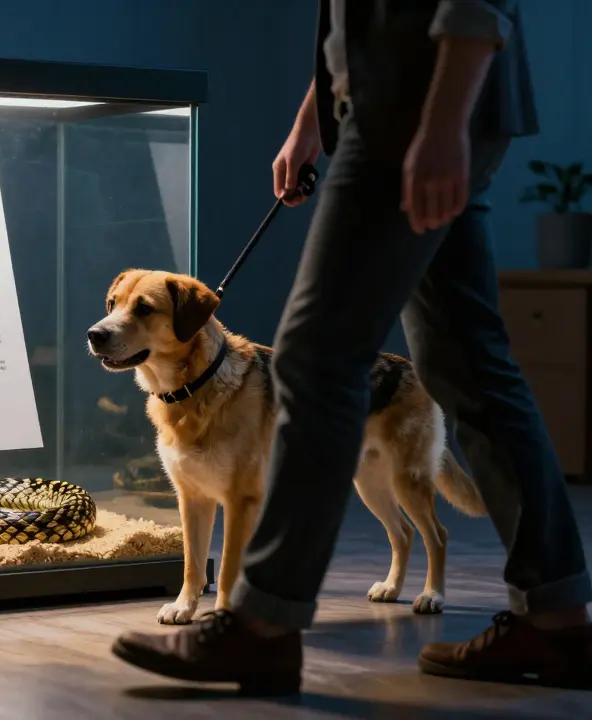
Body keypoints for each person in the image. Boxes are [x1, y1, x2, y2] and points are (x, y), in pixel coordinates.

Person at [110, 0, 592, 693]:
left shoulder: (421, 117)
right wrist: (315, 118)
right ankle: (558, 621)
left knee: (314, 361)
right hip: (397, 106)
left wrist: (440, 124)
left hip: (410, 113)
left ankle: (262, 627)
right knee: (470, 367)